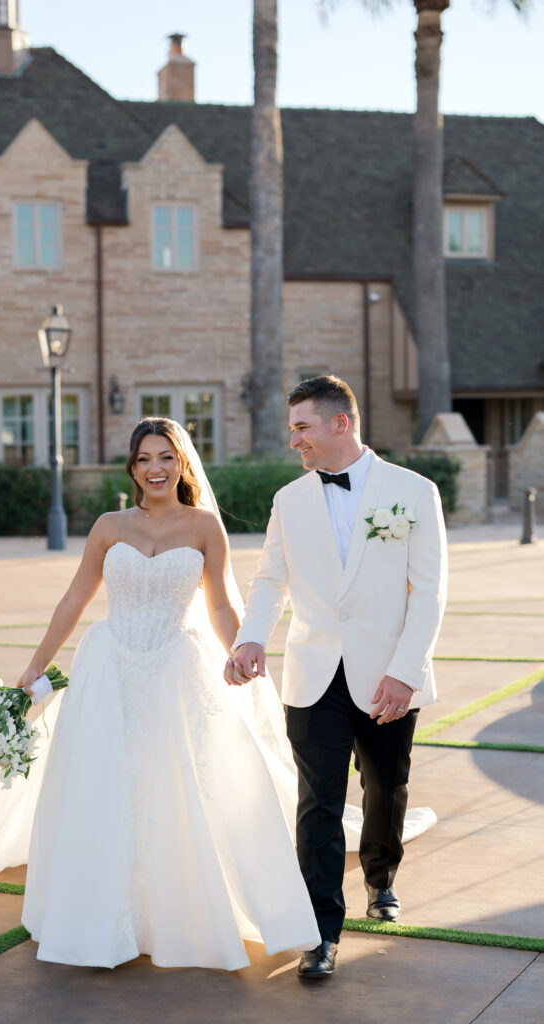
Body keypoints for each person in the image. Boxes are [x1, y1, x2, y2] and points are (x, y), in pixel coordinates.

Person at [0, 417, 321, 970]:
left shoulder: (204, 526)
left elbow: (222, 603)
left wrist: (240, 649)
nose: (156, 468)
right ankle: (100, 913)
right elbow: (73, 601)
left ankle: (175, 914)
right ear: (132, 468)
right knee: (103, 783)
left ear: (181, 464)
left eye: (166, 457)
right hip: (110, 668)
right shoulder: (109, 526)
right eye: (145, 459)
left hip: (176, 666)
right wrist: (34, 666)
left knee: (176, 780)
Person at [227, 376, 447, 981]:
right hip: (314, 674)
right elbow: (270, 580)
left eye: (302, 427)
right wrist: (252, 636)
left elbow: (428, 595)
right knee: (318, 804)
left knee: (385, 787)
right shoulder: (288, 500)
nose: (293, 439)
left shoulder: (414, 492)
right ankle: (320, 932)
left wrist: (404, 674)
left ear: (339, 424)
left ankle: (382, 877)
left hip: (388, 678)